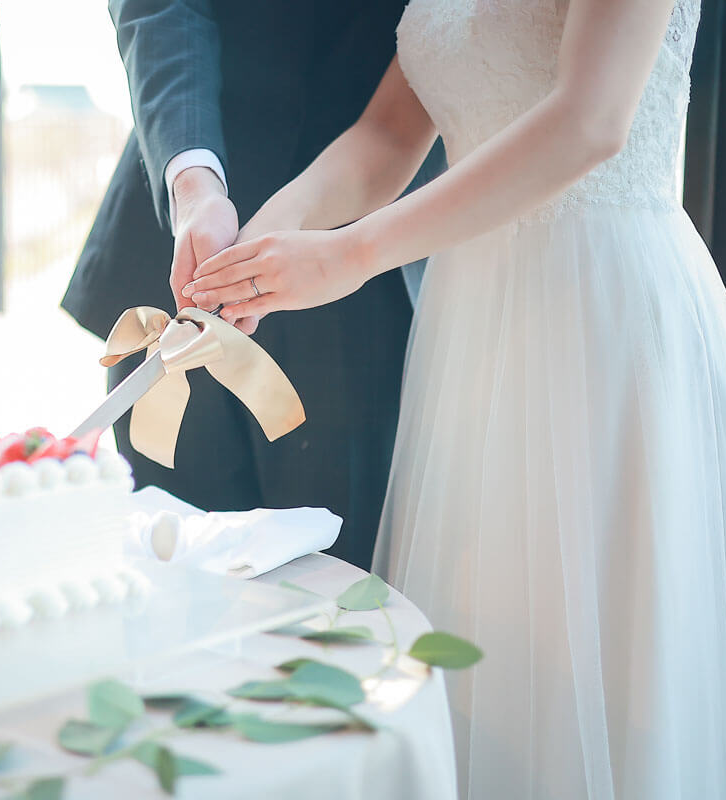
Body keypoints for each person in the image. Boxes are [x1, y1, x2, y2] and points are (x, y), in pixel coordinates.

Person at [185, 0, 726, 797]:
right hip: (471, 334)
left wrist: (351, 254)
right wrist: (271, 235)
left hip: (601, 317)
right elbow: (391, 134)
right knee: (493, 641)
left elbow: (590, 121)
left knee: (609, 657)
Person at [62, 1, 446, 571]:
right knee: (163, 573)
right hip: (179, 246)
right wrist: (193, 183)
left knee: (330, 597)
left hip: (365, 276)